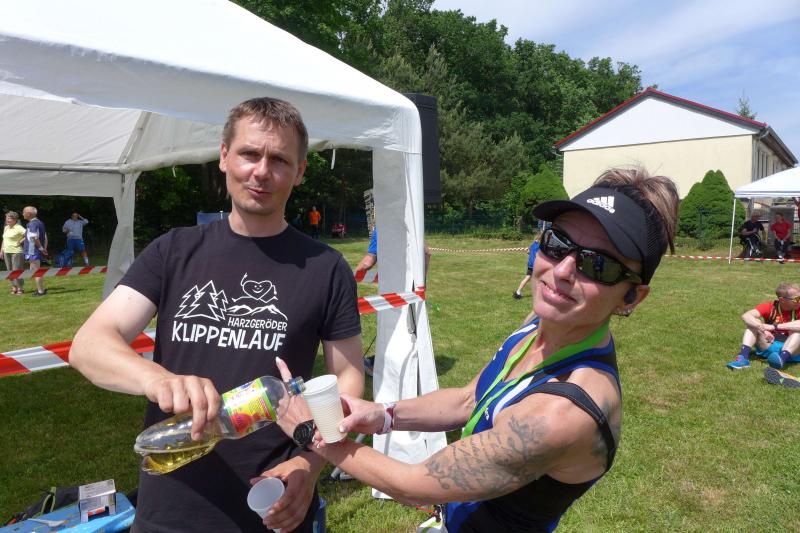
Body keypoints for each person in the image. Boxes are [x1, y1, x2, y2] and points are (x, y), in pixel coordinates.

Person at [273, 167, 679, 532]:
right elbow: (470, 398)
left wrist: (313, 434)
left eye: (598, 265)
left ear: (632, 297)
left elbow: (414, 484)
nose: (562, 270)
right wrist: (382, 414)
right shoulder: (542, 324)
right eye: (556, 242)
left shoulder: (563, 413)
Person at [69, 97, 364, 533]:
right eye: (249, 153)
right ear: (224, 156)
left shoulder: (326, 268)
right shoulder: (174, 250)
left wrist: (310, 462)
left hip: (274, 505)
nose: (261, 171)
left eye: (279, 160)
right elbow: (89, 345)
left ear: (300, 171)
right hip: (171, 506)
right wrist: (158, 379)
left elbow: (348, 381)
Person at [726, 282, 800, 370]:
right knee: (754, 323)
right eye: (797, 299)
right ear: (782, 300)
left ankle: (781, 360)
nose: (799, 301)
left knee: (797, 332)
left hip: (794, 351)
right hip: (770, 344)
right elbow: (746, 316)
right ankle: (743, 359)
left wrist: (774, 327)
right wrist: (762, 329)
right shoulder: (771, 307)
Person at [22, 206, 47, 297]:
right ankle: (40, 289)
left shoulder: (32, 224)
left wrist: (40, 249)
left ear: (29, 214)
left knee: (36, 271)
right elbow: (44, 237)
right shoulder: (40, 222)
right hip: (35, 250)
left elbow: (33, 238)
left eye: (24, 212)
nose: (23, 214)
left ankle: (41, 291)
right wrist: (43, 248)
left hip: (34, 251)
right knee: (34, 271)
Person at [1, 211, 26, 295]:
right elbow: (4, 239)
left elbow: (28, 235)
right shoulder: (6, 227)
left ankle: (20, 288)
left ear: (15, 220)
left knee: (17, 271)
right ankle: (14, 287)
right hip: (6, 252)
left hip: (16, 252)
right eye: (6, 218)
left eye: (9, 218)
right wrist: (1, 250)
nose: (7, 220)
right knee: (9, 271)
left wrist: (21, 241)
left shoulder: (19, 227)